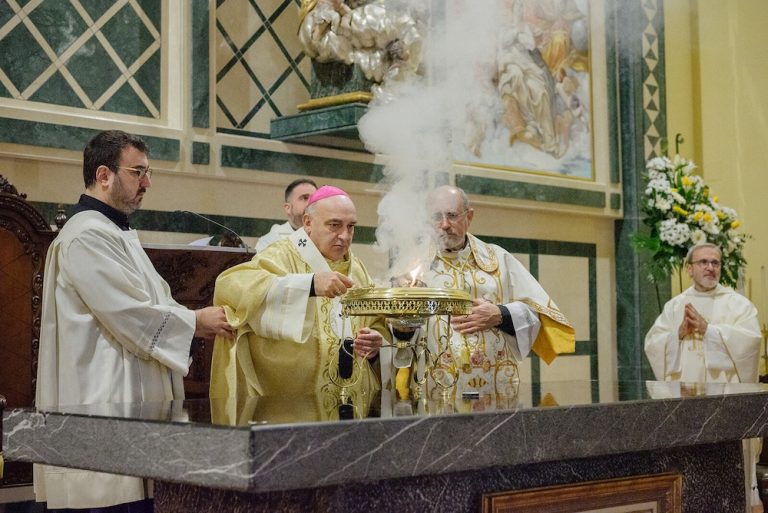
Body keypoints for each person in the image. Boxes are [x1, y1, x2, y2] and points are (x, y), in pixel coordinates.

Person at [34, 130, 235, 512]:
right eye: (138, 172)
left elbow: (152, 302)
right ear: (104, 175)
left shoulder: (115, 231)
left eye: (148, 172)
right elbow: (129, 313)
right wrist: (195, 321)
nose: (147, 183)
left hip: (128, 399)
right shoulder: (86, 236)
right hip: (103, 401)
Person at [210, 185, 388, 401]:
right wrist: (309, 285)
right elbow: (229, 286)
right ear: (308, 222)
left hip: (353, 395)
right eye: (334, 225)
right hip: (291, 399)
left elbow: (376, 320)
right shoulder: (282, 255)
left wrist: (376, 341)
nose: (345, 235)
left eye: (351, 227)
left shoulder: (357, 268)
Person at [411, 185, 574, 399]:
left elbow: (540, 313)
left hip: (496, 388)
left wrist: (501, 314)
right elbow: (394, 333)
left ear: (469, 217)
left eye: (452, 215)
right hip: (436, 390)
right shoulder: (413, 265)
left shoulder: (499, 259)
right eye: (436, 217)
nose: (444, 225)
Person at [644, 242, 762, 513]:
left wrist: (710, 331)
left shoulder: (738, 305)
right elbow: (652, 344)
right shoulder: (675, 306)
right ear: (689, 269)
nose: (710, 267)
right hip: (686, 405)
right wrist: (678, 334)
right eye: (703, 262)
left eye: (715, 262)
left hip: (726, 406)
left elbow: (751, 343)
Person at [254, 178, 317, 252]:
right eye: (305, 198)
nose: (311, 202)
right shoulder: (269, 242)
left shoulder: (326, 236)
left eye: (315, 198)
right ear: (288, 208)